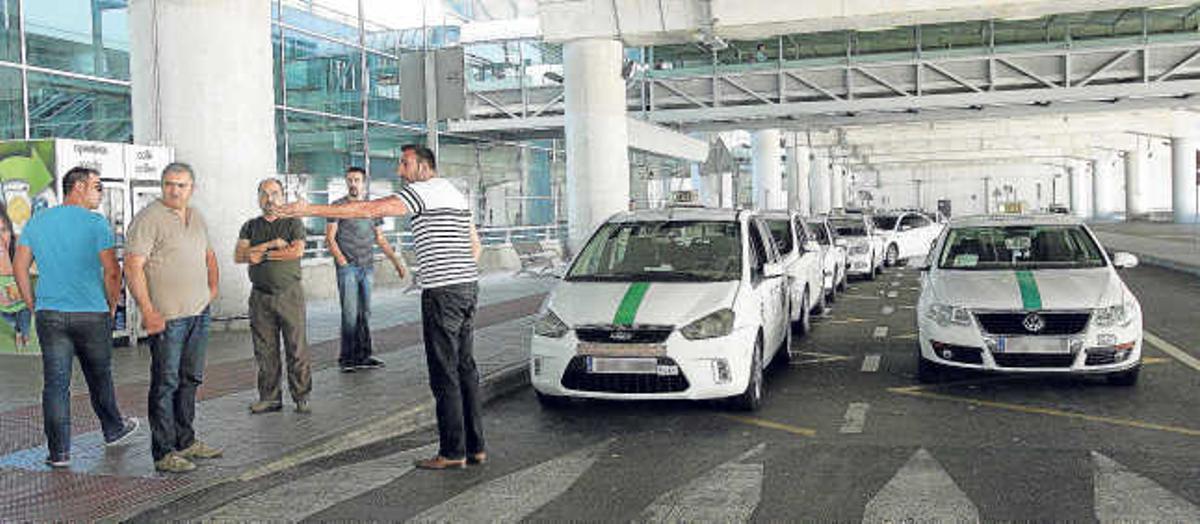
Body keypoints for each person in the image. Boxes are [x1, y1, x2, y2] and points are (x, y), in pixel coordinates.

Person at [279, 145, 484, 470]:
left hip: (443, 292)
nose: (399, 170)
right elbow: (475, 244)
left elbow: (367, 209)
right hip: (467, 287)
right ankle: (475, 447)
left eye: (405, 164)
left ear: (423, 166)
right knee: (465, 368)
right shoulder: (454, 194)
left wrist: (309, 208)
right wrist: (458, 271)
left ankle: (452, 452)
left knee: (444, 372)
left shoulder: (423, 191)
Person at [13, 166, 139, 468]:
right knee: (100, 377)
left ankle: (59, 454)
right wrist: (111, 305)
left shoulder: (37, 221)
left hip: (50, 314)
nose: (100, 194)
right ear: (78, 187)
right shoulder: (96, 224)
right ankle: (113, 429)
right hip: (91, 313)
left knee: (55, 385)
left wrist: (33, 304)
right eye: (97, 187)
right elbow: (112, 271)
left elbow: (19, 266)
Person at [126, 162, 222, 474]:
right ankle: (164, 452)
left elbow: (209, 255)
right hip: (167, 318)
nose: (174, 190)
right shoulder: (148, 218)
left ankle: (186, 441)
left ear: (192, 188)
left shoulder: (197, 217)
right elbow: (132, 267)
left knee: (190, 378)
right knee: (165, 383)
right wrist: (148, 310)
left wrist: (212, 289)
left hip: (198, 314)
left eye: (181, 185)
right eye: (169, 184)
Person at [235, 178, 312, 414]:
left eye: (275, 193)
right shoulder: (250, 226)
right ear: (259, 197)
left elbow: (296, 251)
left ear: (282, 196)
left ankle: (301, 397)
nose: (270, 199)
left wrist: (260, 254)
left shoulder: (293, 223)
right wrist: (272, 244)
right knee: (265, 350)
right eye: (265, 194)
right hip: (260, 296)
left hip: (289, 294)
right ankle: (270, 398)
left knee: (296, 347)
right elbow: (240, 255)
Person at [325, 167, 405, 373]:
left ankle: (364, 355)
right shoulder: (338, 206)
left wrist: (396, 262)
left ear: (364, 183)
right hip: (348, 268)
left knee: (364, 312)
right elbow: (330, 239)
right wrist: (343, 262)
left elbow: (380, 238)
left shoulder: (372, 208)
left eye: (357, 180)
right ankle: (347, 358)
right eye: (350, 180)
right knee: (350, 313)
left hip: (367, 267)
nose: (353, 184)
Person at [0, 203, 31, 351]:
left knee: (25, 326)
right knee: (13, 322)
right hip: (4, 310)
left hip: (23, 305)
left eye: (3, 230)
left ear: (10, 232)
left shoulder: (20, 249)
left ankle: (23, 333)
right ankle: (18, 330)